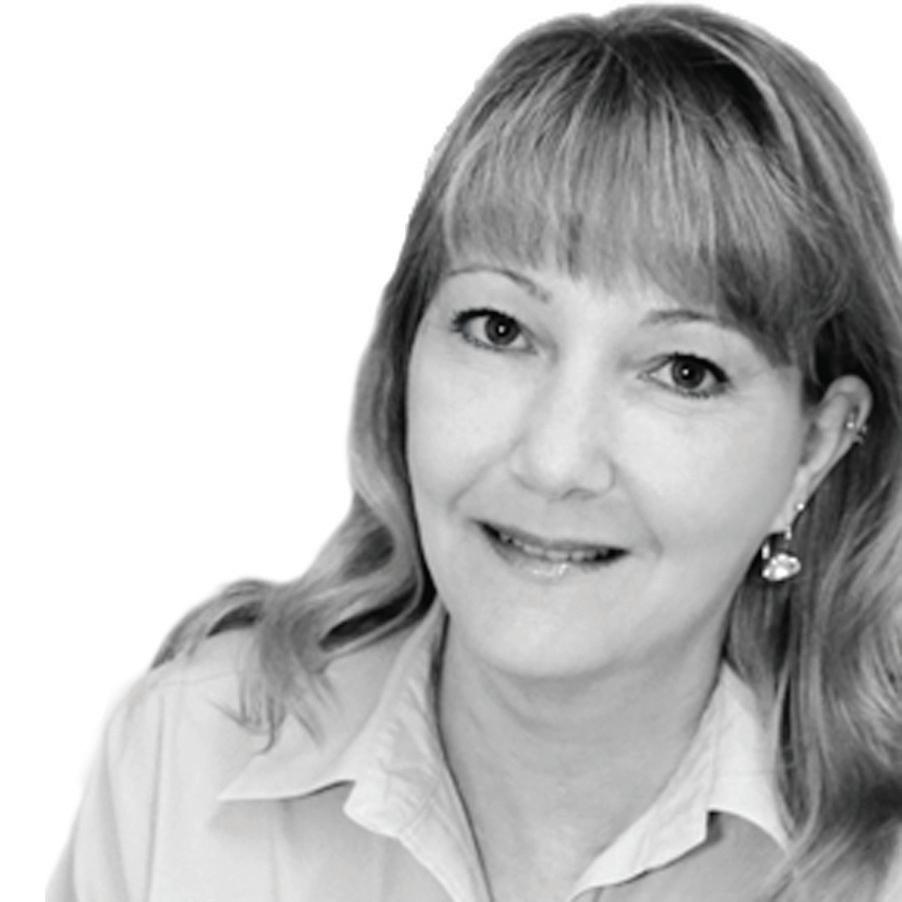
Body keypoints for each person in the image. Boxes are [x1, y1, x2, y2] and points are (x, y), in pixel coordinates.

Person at [49, 4, 902, 901]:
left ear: (815, 446)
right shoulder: (184, 760)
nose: (554, 462)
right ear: (405, 351)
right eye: (500, 329)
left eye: (683, 371)